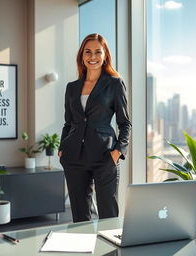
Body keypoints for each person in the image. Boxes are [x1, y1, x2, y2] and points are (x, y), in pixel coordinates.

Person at [58, 33, 131, 223]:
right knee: (80, 219)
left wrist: (117, 152)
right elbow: (68, 123)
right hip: (74, 157)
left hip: (104, 156)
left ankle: (111, 254)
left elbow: (125, 123)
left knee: (108, 218)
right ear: (81, 56)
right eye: (88, 52)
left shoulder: (115, 84)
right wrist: (61, 149)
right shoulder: (71, 87)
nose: (92, 57)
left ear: (105, 54)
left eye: (98, 52)